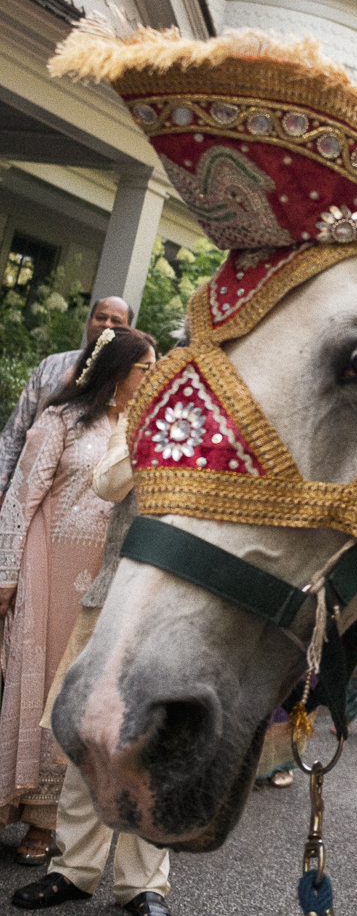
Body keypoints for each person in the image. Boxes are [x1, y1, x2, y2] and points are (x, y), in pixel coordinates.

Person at [0, 327, 155, 861]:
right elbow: (22, 498)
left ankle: (45, 825)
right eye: (144, 369)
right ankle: (9, 803)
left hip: (104, 580)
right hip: (46, 568)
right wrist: (5, 573)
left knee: (71, 697)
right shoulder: (60, 419)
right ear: (115, 370)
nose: (151, 378)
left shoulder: (141, 430)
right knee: (32, 686)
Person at [12, 407, 171, 914]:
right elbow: (108, 484)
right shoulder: (140, 418)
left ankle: (143, 885)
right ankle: (75, 870)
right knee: (85, 733)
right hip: (113, 593)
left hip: (181, 604)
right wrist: (156, 431)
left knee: (155, 743)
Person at [0, 297, 134, 502]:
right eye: (101, 317)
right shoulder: (52, 366)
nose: (107, 324)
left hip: (87, 502)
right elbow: (14, 433)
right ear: (89, 323)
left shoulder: (130, 382)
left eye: (116, 321)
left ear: (128, 330)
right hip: (28, 487)